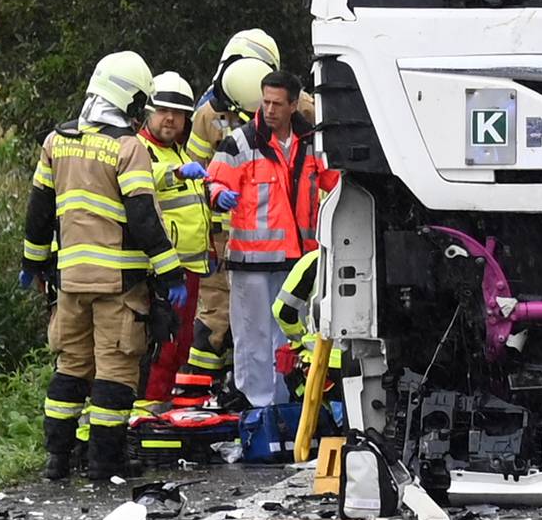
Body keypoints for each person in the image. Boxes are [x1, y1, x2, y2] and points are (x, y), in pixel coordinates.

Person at [20, 52, 186, 482]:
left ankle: (57, 459)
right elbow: (143, 217)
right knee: (115, 371)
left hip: (70, 281)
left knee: (71, 367)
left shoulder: (57, 141)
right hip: (120, 283)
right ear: (128, 98)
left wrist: (33, 263)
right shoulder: (127, 147)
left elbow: (39, 211)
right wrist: (170, 273)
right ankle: (104, 463)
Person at [207, 70, 327, 409]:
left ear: (293, 105)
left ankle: (292, 403)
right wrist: (218, 195)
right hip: (252, 261)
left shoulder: (312, 143)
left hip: (299, 261)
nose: (270, 109)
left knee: (294, 336)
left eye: (277, 103)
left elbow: (333, 184)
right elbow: (214, 183)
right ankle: (257, 407)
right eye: (266, 102)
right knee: (252, 336)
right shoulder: (242, 142)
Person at [137, 73, 223, 412]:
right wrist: (175, 175)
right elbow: (146, 182)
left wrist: (213, 193)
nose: (170, 118)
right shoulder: (140, 150)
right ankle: (149, 408)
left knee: (181, 342)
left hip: (188, 268)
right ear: (149, 112)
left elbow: (192, 201)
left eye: (178, 113)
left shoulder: (177, 153)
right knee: (162, 343)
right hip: (161, 270)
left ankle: (162, 406)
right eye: (163, 111)